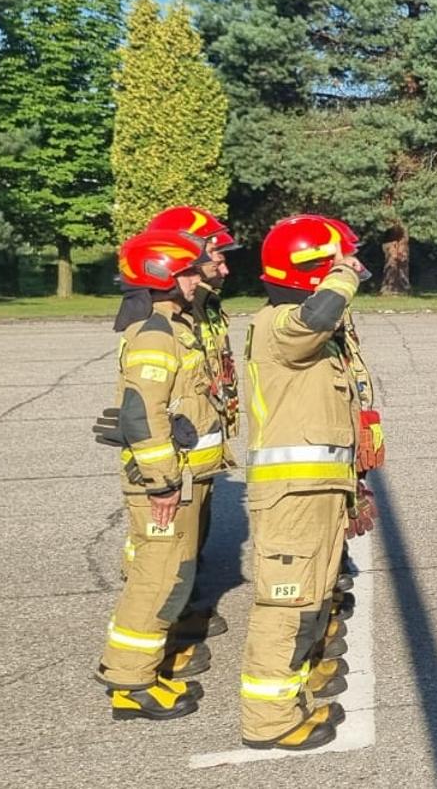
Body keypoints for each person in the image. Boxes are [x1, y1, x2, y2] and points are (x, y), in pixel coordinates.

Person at [236, 214, 369, 750]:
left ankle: (292, 695)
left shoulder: (311, 329)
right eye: (337, 261)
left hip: (317, 492)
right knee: (285, 605)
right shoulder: (281, 323)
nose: (353, 267)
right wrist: (342, 276)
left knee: (310, 600)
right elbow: (315, 319)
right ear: (311, 270)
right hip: (292, 497)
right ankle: (268, 722)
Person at [92, 229, 228, 721]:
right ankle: (129, 682)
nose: (198, 277)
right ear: (162, 277)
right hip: (166, 485)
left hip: (184, 477)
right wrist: (163, 483)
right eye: (189, 271)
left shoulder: (177, 324)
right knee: (157, 579)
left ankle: (143, 669)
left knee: (171, 577)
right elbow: (141, 415)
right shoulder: (156, 332)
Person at [141, 206, 241, 679]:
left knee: (191, 540)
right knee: (161, 556)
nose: (223, 263)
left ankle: (181, 611)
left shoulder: (200, 301)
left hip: (197, 453)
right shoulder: (159, 311)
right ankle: (159, 638)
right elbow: (148, 395)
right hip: (170, 462)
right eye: (215, 253)